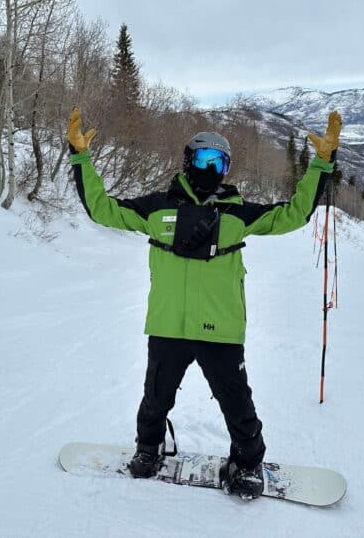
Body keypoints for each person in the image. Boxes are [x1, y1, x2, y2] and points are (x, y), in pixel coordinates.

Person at [67, 107, 341, 499]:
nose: (210, 167)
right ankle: (149, 448)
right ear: (187, 160)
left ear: (227, 168)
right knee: (155, 399)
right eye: (203, 158)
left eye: (219, 161)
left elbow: (294, 215)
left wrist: (322, 162)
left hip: (221, 327)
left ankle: (246, 463)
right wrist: (80, 156)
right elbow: (102, 208)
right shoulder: (157, 207)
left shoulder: (238, 212)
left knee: (237, 404)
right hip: (168, 325)